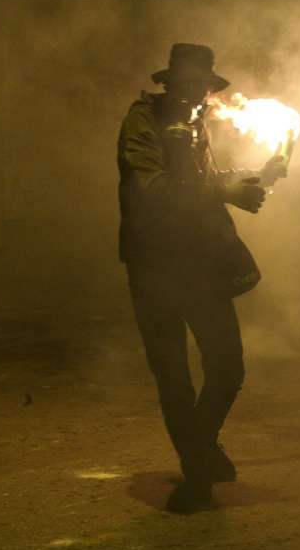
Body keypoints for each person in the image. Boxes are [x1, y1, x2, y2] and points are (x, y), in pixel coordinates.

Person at [117, 43, 287, 513]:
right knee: (173, 377)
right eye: (188, 86)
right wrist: (228, 193)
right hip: (154, 266)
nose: (197, 96)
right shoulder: (141, 123)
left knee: (227, 366)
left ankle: (200, 448)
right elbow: (155, 191)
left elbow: (205, 179)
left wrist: (256, 175)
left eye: (202, 88)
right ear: (169, 84)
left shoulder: (194, 124)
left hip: (199, 264)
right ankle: (196, 476)